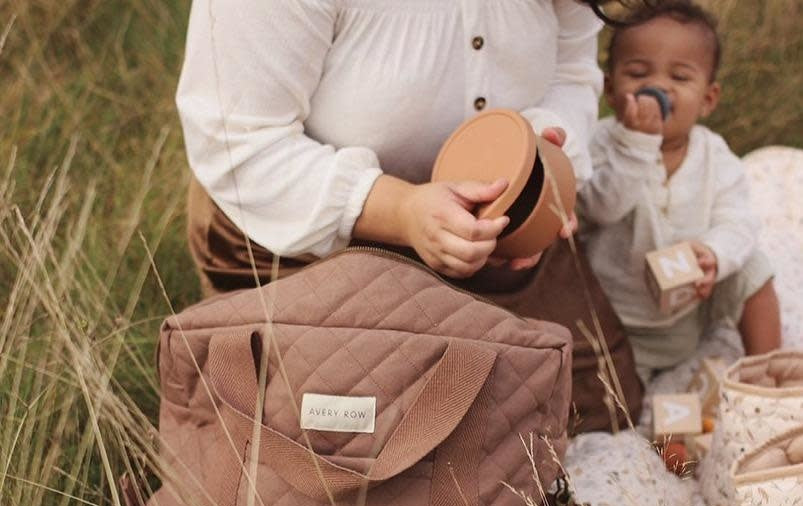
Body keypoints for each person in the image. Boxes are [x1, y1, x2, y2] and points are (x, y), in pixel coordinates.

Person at [176, 1, 622, 287]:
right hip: (301, 245)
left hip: (495, 247)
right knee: (386, 423)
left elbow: (571, 73)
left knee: (598, 411)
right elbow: (239, 140)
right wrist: (404, 211)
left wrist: (535, 184)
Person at [577, 1, 781, 383]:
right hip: (615, 323)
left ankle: (767, 371)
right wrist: (637, 144)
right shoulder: (601, 143)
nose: (659, 87)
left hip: (689, 312)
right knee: (612, 398)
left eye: (680, 78)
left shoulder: (714, 155)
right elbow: (600, 209)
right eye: (638, 73)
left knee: (753, 266)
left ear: (708, 99)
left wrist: (714, 255)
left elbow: (738, 222)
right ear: (609, 88)